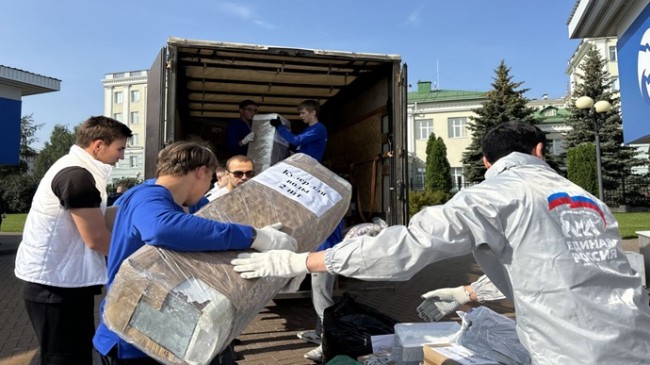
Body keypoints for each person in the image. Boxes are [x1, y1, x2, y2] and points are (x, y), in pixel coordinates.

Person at [232, 120, 650, 365]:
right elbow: (555, 268)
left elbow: (403, 249)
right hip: (635, 342)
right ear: (540, 150)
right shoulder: (590, 200)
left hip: (570, 353)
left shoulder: (495, 194)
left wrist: (302, 262)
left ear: (487, 163)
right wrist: (467, 290)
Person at [93, 141, 297, 365]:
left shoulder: (180, 202)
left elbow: (210, 230)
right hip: (132, 338)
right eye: (210, 180)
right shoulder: (148, 196)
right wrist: (254, 236)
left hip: (165, 331)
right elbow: (161, 228)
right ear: (202, 172)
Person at [14, 116, 133, 365]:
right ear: (98, 145)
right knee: (64, 358)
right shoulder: (76, 176)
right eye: (120, 148)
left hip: (64, 282)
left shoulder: (81, 170)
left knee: (74, 353)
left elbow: (99, 217)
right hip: (54, 287)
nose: (121, 155)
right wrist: (138, 264)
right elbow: (97, 239)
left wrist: (138, 209)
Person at [271, 99, 340, 362]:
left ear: (312, 112)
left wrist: (279, 129)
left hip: (325, 256)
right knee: (317, 296)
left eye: (302, 112)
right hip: (319, 254)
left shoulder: (319, 129)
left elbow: (297, 140)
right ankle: (319, 333)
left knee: (322, 299)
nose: (300, 115)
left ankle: (328, 344)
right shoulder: (321, 197)